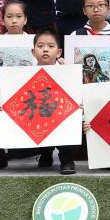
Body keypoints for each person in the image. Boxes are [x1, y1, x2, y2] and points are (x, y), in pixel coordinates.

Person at [31, 28, 78, 175]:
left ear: (58, 52)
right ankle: (46, 153)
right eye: (40, 46)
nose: (45, 50)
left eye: (50, 46)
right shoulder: (26, 73)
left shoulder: (68, 72)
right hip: (40, 114)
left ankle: (67, 159)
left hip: (61, 112)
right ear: (33, 52)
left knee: (67, 118)